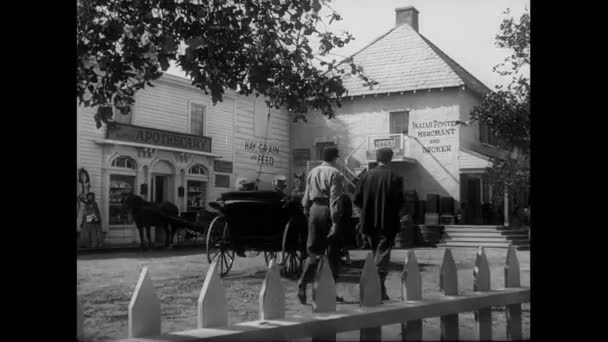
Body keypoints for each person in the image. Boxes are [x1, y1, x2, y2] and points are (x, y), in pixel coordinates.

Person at [353, 148, 404, 301]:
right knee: (382, 255)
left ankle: (380, 290)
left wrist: (366, 210)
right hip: (387, 223)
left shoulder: (365, 176)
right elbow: (400, 202)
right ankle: (374, 285)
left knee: (376, 252)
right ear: (390, 159)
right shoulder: (394, 177)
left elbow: (356, 199)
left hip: (368, 223)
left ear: (377, 159)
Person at [297, 146, 345, 304]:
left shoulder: (313, 172)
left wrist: (307, 211)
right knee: (332, 254)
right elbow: (334, 200)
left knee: (313, 252)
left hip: (313, 210)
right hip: (327, 211)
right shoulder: (335, 174)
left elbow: (305, 197)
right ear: (334, 158)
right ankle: (328, 291)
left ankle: (302, 283)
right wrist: (335, 222)